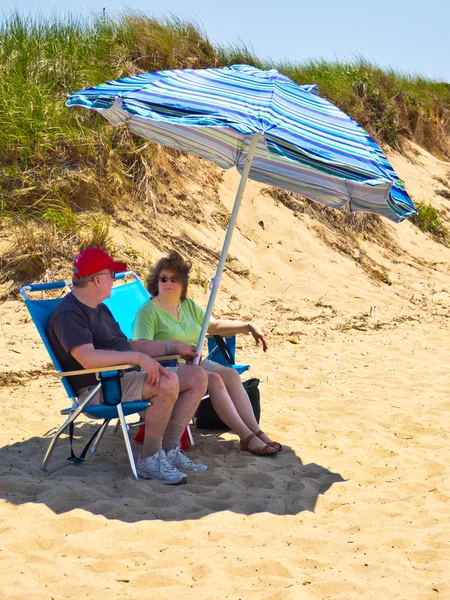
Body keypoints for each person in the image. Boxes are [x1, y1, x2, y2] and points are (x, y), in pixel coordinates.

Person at [47, 247, 209, 485]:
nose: (115, 279)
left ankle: (170, 450)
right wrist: (138, 360)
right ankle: (150, 458)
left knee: (197, 376)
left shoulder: (99, 308)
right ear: (97, 279)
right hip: (100, 389)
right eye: (111, 274)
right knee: (166, 381)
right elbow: (88, 358)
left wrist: (172, 347)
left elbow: (128, 345)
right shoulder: (69, 314)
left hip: (124, 379)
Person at [132, 251, 282, 456]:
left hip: (194, 363)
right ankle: (245, 436)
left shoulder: (187, 306)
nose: (168, 283)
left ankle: (257, 432)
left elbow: (214, 326)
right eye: (163, 279)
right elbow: (142, 347)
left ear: (183, 283)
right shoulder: (148, 312)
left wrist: (248, 326)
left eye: (174, 279)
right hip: (169, 368)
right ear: (156, 282)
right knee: (214, 379)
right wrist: (175, 347)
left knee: (229, 374)